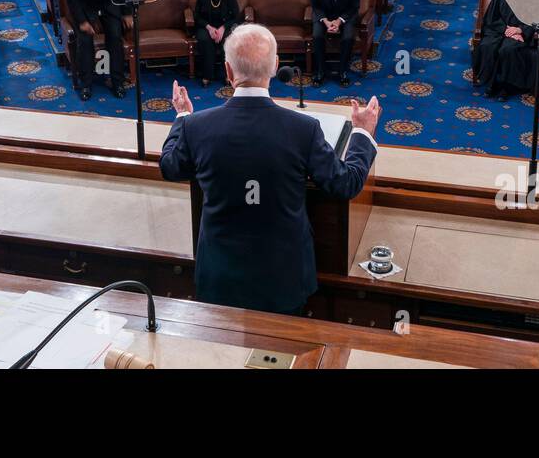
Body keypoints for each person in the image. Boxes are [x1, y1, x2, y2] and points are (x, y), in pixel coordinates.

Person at [159, 24, 378, 313]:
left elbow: (170, 166)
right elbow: (345, 184)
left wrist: (183, 116)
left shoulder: (195, 128)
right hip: (284, 278)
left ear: (227, 70)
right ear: (275, 66)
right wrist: (362, 133)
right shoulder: (304, 130)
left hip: (219, 277)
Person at [67, 0, 129, 101]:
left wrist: (127, 13)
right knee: (85, 40)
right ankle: (86, 84)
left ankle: (117, 82)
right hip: (87, 6)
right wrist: (82, 21)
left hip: (110, 4)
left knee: (115, 37)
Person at [474, 0, 539, 100]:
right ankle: (491, 84)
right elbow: (491, 18)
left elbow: (538, 20)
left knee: (507, 50)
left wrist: (520, 30)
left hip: (521, 34)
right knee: (488, 46)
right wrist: (506, 30)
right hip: (499, 31)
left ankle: (506, 87)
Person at [309, 0, 359, 87]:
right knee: (317, 36)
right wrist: (325, 21)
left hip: (345, 16)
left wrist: (339, 21)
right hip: (324, 16)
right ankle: (321, 71)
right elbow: (315, 6)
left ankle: (343, 71)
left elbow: (354, 7)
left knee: (348, 37)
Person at [193, 0, 240, 86]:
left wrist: (223, 28)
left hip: (226, 26)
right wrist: (209, 28)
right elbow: (197, 17)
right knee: (205, 40)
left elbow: (236, 16)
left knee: (228, 41)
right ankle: (207, 75)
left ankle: (228, 75)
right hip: (206, 26)